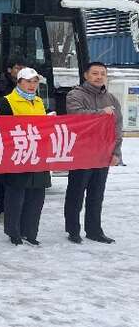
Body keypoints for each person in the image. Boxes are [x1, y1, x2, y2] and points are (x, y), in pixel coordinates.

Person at [64, 62, 122, 245]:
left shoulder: (111, 98)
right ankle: (73, 230)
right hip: (81, 152)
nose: (99, 77)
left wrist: (116, 152)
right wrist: (101, 113)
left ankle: (94, 230)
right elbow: (76, 116)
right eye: (95, 73)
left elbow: (117, 127)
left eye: (102, 73)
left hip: (102, 153)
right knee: (76, 193)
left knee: (96, 194)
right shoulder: (75, 95)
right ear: (86, 76)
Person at [0, 67, 50, 246]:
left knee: (37, 195)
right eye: (27, 81)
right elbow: (3, 130)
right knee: (16, 195)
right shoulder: (6, 102)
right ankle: (14, 232)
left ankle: (30, 231)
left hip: (38, 153)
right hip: (17, 153)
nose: (32, 85)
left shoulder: (39, 101)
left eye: (35, 82)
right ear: (18, 82)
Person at [0, 58, 27, 221]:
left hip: (23, 134)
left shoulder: (26, 84)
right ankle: (3, 210)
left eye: (23, 68)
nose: (20, 70)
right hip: (5, 134)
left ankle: (18, 208)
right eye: (18, 67)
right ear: (9, 69)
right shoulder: (1, 85)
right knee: (4, 175)